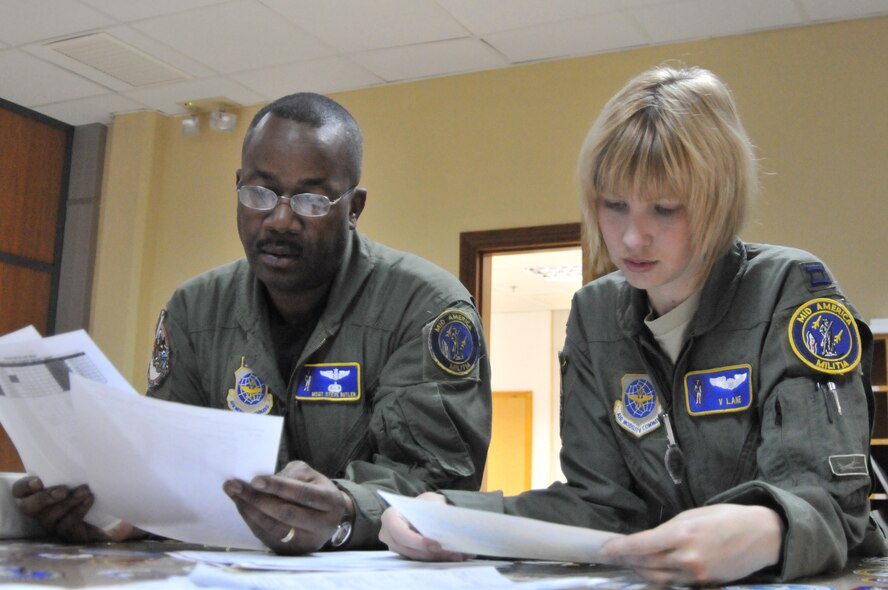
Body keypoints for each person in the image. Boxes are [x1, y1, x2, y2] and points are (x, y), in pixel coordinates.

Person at [379, 65, 887, 584]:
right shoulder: (594, 314)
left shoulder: (792, 289)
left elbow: (828, 502)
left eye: (665, 209)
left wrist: (766, 526)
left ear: (719, 201)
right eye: (614, 205)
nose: (631, 238)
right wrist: (448, 514)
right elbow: (600, 507)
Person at [14, 92, 492, 554]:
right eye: (260, 193)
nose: (280, 220)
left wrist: (345, 514)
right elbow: (171, 469)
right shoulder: (194, 309)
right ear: (239, 185)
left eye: (312, 200)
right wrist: (118, 516)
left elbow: (441, 478)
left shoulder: (424, 307)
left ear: (355, 208)